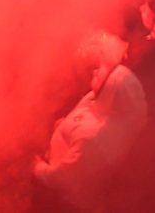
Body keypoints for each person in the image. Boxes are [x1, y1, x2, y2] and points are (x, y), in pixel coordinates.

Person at [32, 31, 148, 210]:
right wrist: (65, 125)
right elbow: (84, 115)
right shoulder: (105, 104)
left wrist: (38, 168)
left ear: (112, 88)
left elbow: (65, 178)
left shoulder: (95, 141)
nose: (95, 72)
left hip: (65, 202)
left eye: (101, 71)